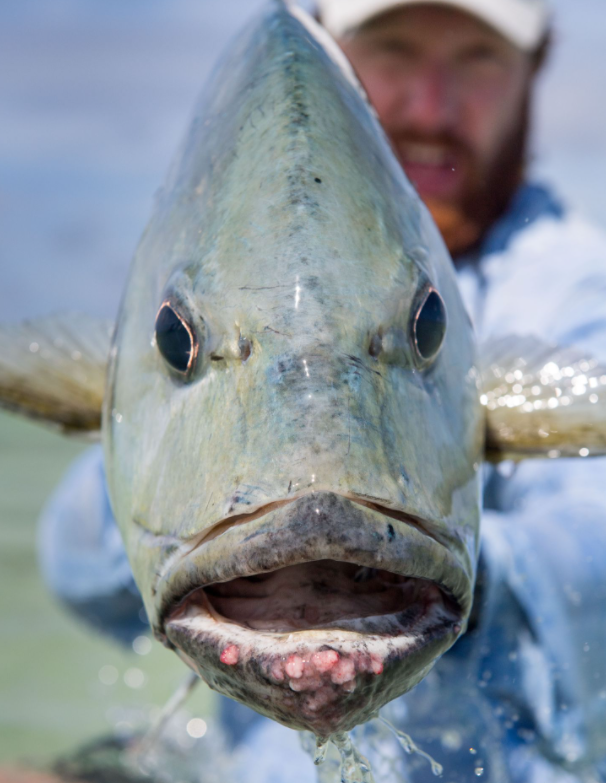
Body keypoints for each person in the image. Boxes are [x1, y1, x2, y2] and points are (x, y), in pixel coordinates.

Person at [38, 0, 606, 780]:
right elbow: (77, 577)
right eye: (397, 50)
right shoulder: (211, 253)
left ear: (534, 70)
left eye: (476, 59)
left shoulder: (572, 281)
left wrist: (434, 572)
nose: (432, 105)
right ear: (335, 52)